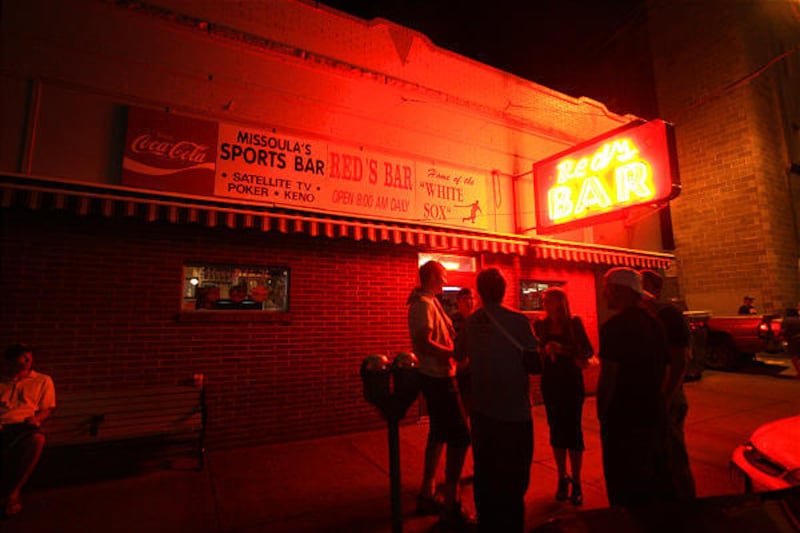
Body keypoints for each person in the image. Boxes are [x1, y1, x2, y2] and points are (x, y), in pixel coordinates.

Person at [455, 268, 538, 533]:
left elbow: (459, 354)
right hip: (514, 413)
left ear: (479, 292)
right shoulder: (518, 320)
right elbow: (535, 364)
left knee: (485, 473)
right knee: (514, 479)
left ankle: (487, 522)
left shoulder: (472, 321)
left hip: (482, 412)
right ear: (503, 290)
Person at [407, 260, 475, 530]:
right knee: (460, 436)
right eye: (443, 274)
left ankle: (427, 491)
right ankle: (451, 504)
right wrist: (453, 354)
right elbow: (424, 341)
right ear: (433, 275)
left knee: (438, 433)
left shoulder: (429, 301)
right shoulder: (423, 305)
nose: (446, 278)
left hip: (439, 375)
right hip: (438, 378)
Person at [597, 268, 673, 506]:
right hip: (653, 415)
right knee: (653, 484)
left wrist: (602, 414)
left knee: (624, 488)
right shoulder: (655, 324)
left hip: (623, 421)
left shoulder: (613, 327)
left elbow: (609, 376)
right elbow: (667, 369)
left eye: (607, 289)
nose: (604, 295)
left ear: (621, 290)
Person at [533, 287, 593, 506]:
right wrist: (543, 351)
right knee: (556, 430)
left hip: (571, 383)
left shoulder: (573, 323)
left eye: (549, 300)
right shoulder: (540, 325)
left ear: (560, 302)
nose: (545, 304)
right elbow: (535, 351)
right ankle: (561, 477)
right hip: (551, 382)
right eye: (544, 301)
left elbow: (588, 351)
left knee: (573, 431)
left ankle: (576, 481)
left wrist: (562, 349)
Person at [641, 270, 697, 500]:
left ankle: (687, 508)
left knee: (674, 455)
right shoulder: (642, 316)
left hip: (669, 398)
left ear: (655, 289)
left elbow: (680, 361)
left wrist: (665, 399)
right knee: (655, 457)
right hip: (652, 398)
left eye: (641, 285)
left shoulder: (668, 314)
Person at [0, 344, 56, 517]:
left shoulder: (42, 380)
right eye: (22, 356)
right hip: (3, 421)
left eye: (29, 356)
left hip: (24, 423)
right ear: (10, 361)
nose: (27, 360)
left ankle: (14, 492)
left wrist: (36, 419)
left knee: (37, 439)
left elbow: (47, 409)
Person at [451, 288, 475, 416]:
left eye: (471, 298)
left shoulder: (479, 320)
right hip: (460, 371)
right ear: (458, 302)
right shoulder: (452, 321)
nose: (469, 302)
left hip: (477, 371)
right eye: (466, 299)